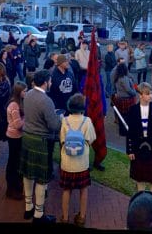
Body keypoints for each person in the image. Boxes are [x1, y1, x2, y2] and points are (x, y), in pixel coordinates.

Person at [20, 69, 62, 223]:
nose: (51, 83)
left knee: (28, 175)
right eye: (50, 81)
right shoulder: (46, 100)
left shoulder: (28, 94)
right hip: (40, 141)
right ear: (45, 82)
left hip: (27, 138)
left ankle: (28, 207)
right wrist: (60, 119)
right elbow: (53, 126)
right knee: (41, 179)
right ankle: (38, 215)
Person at [59, 94, 96, 226]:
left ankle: (64, 217)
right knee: (83, 189)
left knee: (66, 190)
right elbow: (91, 139)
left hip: (67, 164)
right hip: (82, 163)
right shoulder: (87, 121)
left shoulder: (64, 121)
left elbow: (62, 140)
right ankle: (82, 217)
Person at [114, 63, 138, 136]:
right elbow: (128, 89)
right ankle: (126, 131)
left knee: (122, 116)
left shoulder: (117, 77)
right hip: (126, 99)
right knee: (128, 116)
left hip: (120, 99)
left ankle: (122, 131)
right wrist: (134, 93)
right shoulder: (123, 78)